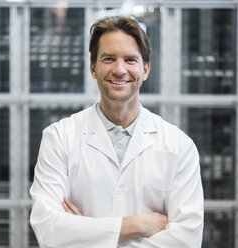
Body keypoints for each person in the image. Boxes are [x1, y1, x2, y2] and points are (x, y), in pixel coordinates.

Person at [30, 16, 204, 247]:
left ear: (145, 69)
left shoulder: (179, 146)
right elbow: (48, 229)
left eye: (130, 60)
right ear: (93, 68)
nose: (119, 70)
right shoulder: (59, 137)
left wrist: (87, 235)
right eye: (109, 59)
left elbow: (186, 240)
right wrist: (136, 225)